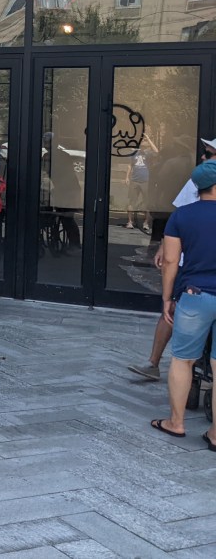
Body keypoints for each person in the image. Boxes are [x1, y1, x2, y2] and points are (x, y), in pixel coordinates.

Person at [130, 136, 216, 381]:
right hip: (190, 256)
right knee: (173, 309)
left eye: (208, 153)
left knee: (177, 305)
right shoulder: (198, 178)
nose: (203, 156)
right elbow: (180, 214)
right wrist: (163, 246)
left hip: (198, 272)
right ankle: (153, 362)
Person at [149, 159, 216, 446]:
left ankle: (175, 422)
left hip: (194, 295)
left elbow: (170, 262)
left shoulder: (182, 216)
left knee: (183, 359)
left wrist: (167, 298)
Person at [126, 134, 158, 232]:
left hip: (146, 180)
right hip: (135, 180)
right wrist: (127, 177)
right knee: (132, 201)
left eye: (145, 141)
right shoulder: (134, 153)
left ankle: (146, 223)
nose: (143, 142)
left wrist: (148, 139)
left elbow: (157, 152)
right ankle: (130, 221)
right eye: (142, 141)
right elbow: (129, 165)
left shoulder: (148, 153)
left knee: (147, 203)